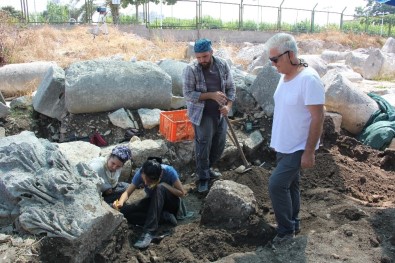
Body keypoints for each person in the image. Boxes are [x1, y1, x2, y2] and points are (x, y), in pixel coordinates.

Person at [265, 33, 325, 246]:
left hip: (299, 146)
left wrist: (309, 151)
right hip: (284, 144)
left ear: (290, 54)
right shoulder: (285, 75)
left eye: (275, 60)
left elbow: (318, 116)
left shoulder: (308, 79)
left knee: (276, 184)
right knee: (290, 185)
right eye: (270, 60)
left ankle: (285, 231)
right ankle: (294, 222)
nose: (273, 65)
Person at [183, 38, 236, 193]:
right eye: (198, 57)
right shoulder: (191, 69)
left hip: (220, 113)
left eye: (205, 56)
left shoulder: (222, 65)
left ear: (211, 52)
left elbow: (231, 88)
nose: (201, 60)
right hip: (202, 114)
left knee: (219, 144)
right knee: (203, 145)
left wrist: (228, 106)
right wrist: (211, 95)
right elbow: (188, 94)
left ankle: (208, 169)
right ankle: (203, 178)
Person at [113, 157, 186, 249]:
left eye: (151, 181)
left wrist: (164, 185)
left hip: (171, 203)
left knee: (159, 188)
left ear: (160, 176)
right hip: (154, 204)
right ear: (142, 173)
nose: (146, 183)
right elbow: (127, 192)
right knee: (126, 212)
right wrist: (120, 203)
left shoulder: (169, 171)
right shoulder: (140, 173)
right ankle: (164, 217)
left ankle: (149, 232)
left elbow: (182, 193)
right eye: (145, 180)